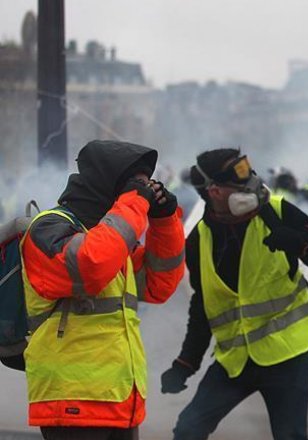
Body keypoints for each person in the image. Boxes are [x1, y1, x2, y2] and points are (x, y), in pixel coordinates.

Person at [161, 149, 308, 440]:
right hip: (235, 360)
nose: (253, 185)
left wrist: (299, 243)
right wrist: (186, 363)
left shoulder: (279, 213)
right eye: (240, 181)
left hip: (289, 354)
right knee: (188, 429)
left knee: (289, 435)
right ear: (215, 191)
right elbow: (204, 304)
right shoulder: (199, 239)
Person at [20, 140, 185, 439]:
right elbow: (90, 266)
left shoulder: (112, 238)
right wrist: (134, 202)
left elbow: (159, 285)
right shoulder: (48, 228)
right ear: (109, 183)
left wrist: (164, 219)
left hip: (120, 401)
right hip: (72, 401)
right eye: (137, 183)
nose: (145, 190)